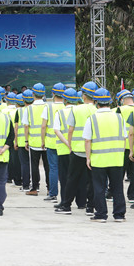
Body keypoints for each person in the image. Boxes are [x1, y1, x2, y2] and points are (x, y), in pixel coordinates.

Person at [84, 88, 127, 223]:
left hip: (99, 159)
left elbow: (87, 140)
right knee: (117, 188)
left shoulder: (92, 119)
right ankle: (119, 215)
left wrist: (88, 157)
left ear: (96, 102)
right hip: (116, 159)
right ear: (110, 102)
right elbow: (124, 138)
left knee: (99, 188)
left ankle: (101, 214)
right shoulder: (119, 117)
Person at [55, 83, 97, 215]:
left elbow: (70, 130)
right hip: (93, 151)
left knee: (72, 178)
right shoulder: (97, 110)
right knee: (92, 180)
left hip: (78, 150)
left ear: (83, 96)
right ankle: (90, 207)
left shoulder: (76, 110)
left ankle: (66, 205)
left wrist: (70, 145)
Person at [39, 83, 65, 202]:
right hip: (65, 144)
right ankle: (67, 195)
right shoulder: (67, 107)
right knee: (65, 170)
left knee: (53, 169)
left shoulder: (48, 107)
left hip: (51, 143)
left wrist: (42, 141)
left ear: (53, 94)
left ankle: (53, 194)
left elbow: (43, 126)